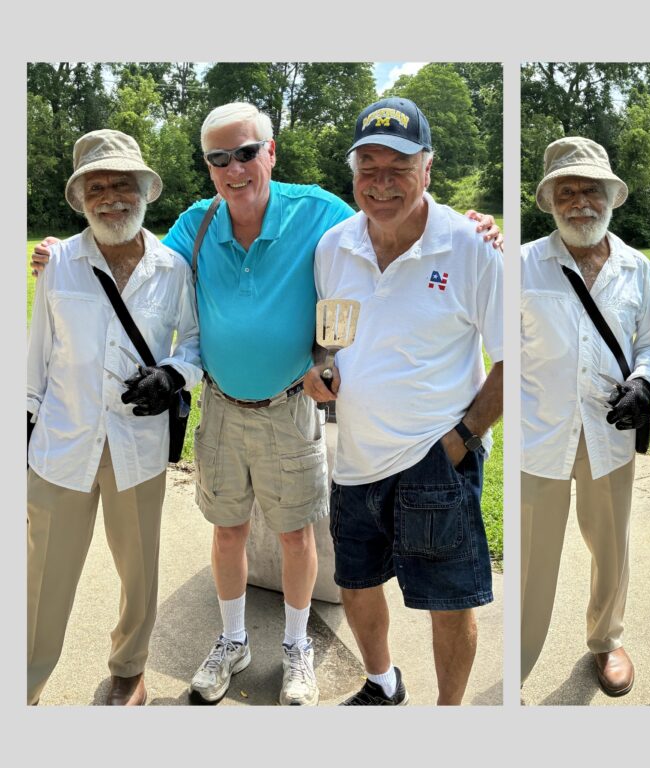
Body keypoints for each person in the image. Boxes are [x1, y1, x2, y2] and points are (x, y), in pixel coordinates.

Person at [32, 102, 501, 707]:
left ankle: (297, 646)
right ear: (208, 166)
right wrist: (66, 252)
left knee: (297, 538)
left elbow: (388, 215)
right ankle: (234, 641)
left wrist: (474, 227)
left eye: (247, 153)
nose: (235, 169)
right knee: (228, 533)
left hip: (292, 408)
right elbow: (139, 256)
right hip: (224, 407)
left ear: (270, 152)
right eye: (220, 158)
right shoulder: (199, 224)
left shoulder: (320, 214)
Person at [306, 97, 503, 706]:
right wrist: (321, 368)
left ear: (428, 168)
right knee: (356, 582)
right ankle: (383, 682)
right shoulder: (333, 246)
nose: (382, 182)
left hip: (435, 459)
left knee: (449, 602)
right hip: (356, 457)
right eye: (368, 167)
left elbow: (514, 360)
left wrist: (462, 439)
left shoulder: (472, 246)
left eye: (399, 167)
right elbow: (329, 338)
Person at [27, 129, 202, 705]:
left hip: (137, 444)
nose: (110, 198)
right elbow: (36, 356)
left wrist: (173, 374)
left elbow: (194, 343)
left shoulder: (172, 267)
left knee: (139, 571)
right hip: (62, 442)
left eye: (122, 184)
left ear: (144, 191)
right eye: (96, 187)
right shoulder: (58, 262)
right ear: (81, 198)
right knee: (41, 578)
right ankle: (23, 684)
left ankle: (130, 668)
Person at [519, 137, 650, 697]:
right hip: (541, 433)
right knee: (531, 558)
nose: (580, 202)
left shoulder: (636, 269)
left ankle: (607, 640)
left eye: (592, 190)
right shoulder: (521, 265)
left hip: (609, 433)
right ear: (549, 200)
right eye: (567, 191)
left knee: (611, 547)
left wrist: (644, 383)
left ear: (611, 197)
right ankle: (518, 663)